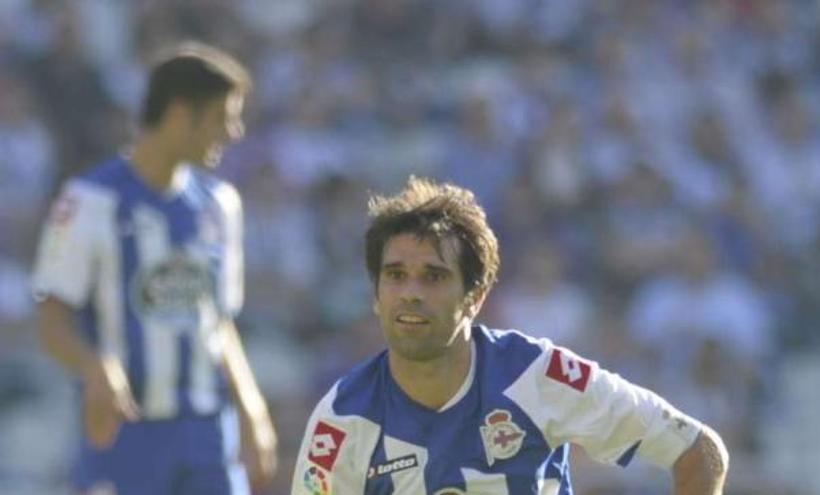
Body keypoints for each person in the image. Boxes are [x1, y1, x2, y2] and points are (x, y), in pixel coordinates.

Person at [290, 177, 728, 494]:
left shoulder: (536, 375)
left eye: (434, 277)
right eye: (396, 276)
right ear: (376, 294)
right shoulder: (343, 418)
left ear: (475, 297)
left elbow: (698, 452)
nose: (411, 294)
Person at [32, 42, 277, 495]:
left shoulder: (221, 204)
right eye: (225, 117)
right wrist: (94, 365)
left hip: (207, 433)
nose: (235, 132)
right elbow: (50, 319)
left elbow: (219, 322)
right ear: (182, 113)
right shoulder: (88, 200)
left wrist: (251, 409)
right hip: (125, 434)